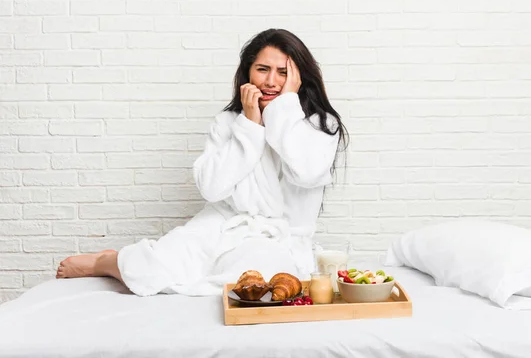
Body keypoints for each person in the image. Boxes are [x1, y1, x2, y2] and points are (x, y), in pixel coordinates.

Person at [56, 28, 349, 297]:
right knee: (151, 269)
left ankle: (140, 262)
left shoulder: (320, 124)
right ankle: (106, 261)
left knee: (256, 282)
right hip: (222, 225)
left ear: (298, 77)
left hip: (278, 241)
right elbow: (211, 189)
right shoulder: (228, 123)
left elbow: (307, 173)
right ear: (248, 73)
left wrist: (284, 108)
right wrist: (250, 125)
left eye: (282, 72)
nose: (271, 81)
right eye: (262, 69)